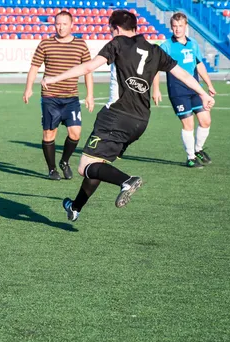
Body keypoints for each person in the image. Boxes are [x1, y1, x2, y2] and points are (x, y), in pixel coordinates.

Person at [41, 10, 215, 222]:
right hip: (140, 122)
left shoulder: (117, 44)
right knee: (99, 163)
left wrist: (53, 78)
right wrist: (203, 93)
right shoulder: (154, 50)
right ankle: (75, 207)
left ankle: (127, 181)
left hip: (115, 116)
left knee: (84, 166)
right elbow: (183, 74)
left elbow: (88, 67)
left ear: (115, 29)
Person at [23, 11, 95, 180]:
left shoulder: (81, 45)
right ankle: (52, 169)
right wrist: (28, 88)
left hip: (71, 97)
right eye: (57, 24)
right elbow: (34, 67)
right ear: (54, 25)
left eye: (64, 24)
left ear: (71, 25)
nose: (61, 27)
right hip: (50, 97)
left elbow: (87, 71)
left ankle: (64, 161)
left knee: (75, 133)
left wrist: (90, 94)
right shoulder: (45, 44)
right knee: (49, 134)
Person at [152, 12, 216, 168]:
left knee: (206, 121)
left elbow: (199, 64)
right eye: (174, 26)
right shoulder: (166, 45)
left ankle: (198, 149)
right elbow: (154, 68)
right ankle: (190, 157)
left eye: (180, 26)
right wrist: (156, 89)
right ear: (171, 27)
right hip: (177, 91)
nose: (177, 29)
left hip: (195, 89)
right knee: (188, 124)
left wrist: (209, 84)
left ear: (186, 26)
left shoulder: (193, 43)